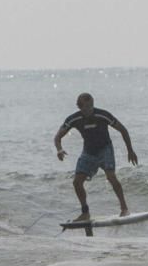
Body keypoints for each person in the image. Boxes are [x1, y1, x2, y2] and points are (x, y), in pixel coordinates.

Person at [54, 93, 138, 221]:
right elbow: (58, 137)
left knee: (111, 176)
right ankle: (85, 212)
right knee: (77, 182)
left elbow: (122, 129)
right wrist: (59, 149)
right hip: (88, 152)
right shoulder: (73, 119)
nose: (89, 110)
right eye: (86, 107)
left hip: (105, 149)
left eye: (91, 106)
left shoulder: (102, 115)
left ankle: (124, 208)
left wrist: (130, 150)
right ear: (79, 107)